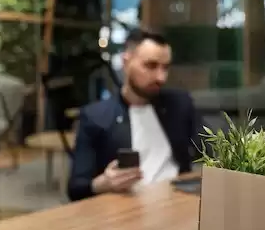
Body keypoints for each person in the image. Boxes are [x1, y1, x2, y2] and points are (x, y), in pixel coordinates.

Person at [67, 29, 203, 202]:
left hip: (178, 201)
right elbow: (76, 188)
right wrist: (104, 183)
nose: (161, 78)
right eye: (151, 66)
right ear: (126, 62)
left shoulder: (179, 105)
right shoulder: (96, 117)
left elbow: (211, 148)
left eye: (165, 68)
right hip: (126, 207)